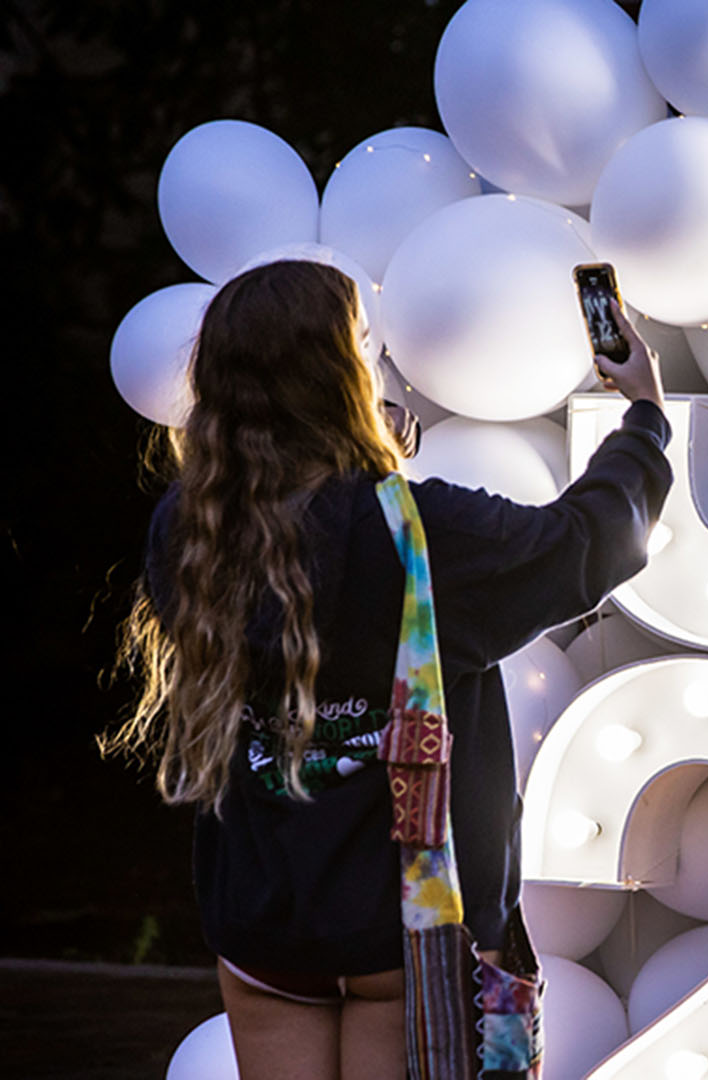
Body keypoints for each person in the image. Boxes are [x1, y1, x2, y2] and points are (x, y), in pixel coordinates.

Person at [108, 259, 672, 1080]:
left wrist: (372, 462)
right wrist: (646, 416)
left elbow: (306, 554)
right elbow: (587, 542)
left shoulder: (185, 533)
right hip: (406, 927)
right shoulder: (425, 532)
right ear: (344, 372)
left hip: (264, 917)